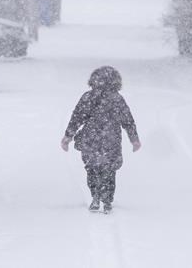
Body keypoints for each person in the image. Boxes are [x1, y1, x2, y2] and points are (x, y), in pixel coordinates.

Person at [60, 66, 141, 214]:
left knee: (92, 168)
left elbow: (76, 118)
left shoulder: (88, 97)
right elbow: (128, 120)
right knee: (109, 169)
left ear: (94, 80)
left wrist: (68, 136)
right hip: (111, 139)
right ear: (116, 81)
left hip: (91, 138)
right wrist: (134, 139)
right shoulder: (117, 99)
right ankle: (108, 200)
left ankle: (96, 196)